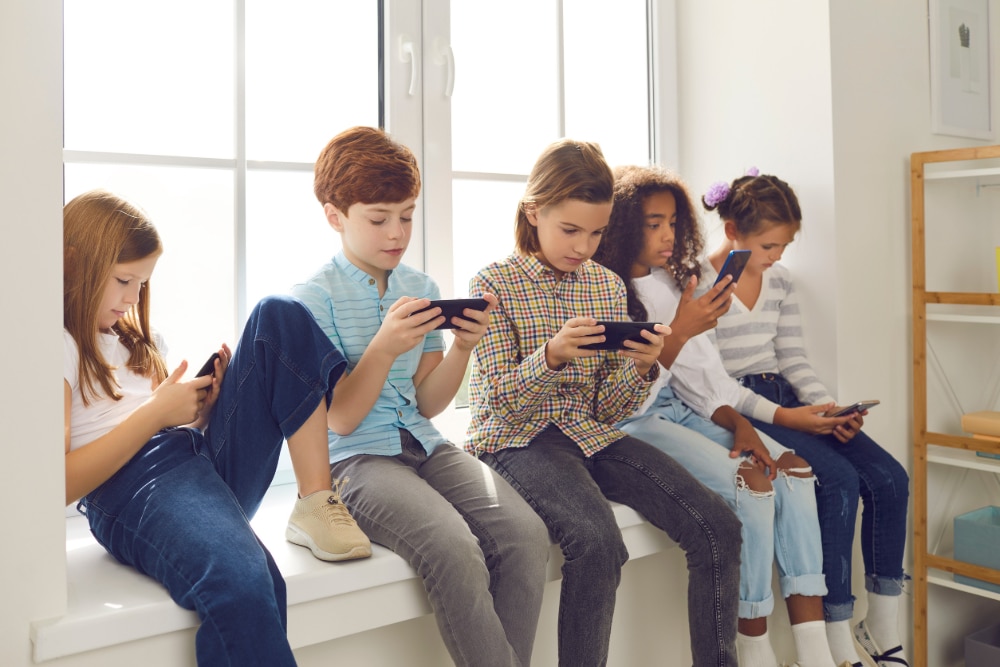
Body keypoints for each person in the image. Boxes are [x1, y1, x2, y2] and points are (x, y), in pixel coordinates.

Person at [465, 139, 743, 667]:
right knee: (597, 545)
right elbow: (498, 407)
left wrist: (644, 365)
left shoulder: (606, 286)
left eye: (595, 232)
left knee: (718, 526)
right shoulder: (493, 283)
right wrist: (550, 356)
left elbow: (609, 410)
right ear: (534, 212)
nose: (582, 246)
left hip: (590, 433)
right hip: (516, 441)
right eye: (570, 230)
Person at [64, 190, 370, 666]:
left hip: (193, 461)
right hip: (131, 488)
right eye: (124, 280)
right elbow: (57, 484)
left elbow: (165, 429)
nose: (132, 299)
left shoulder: (134, 343)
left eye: (142, 285)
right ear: (72, 263)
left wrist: (201, 413)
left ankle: (315, 499)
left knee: (277, 315)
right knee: (249, 582)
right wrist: (156, 415)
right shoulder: (55, 344)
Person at [290, 126, 550, 667]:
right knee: (455, 549)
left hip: (424, 444)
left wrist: (462, 349)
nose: (397, 232)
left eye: (407, 215)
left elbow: (428, 404)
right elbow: (339, 419)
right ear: (334, 216)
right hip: (357, 461)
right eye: (379, 218)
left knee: (526, 536)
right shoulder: (311, 299)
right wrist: (382, 347)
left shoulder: (422, 288)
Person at [592, 165, 843, 667]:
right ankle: (754, 646)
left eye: (672, 223)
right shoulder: (605, 291)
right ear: (622, 226)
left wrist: (739, 421)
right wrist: (680, 331)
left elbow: (703, 376)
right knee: (753, 483)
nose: (667, 235)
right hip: (634, 420)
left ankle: (815, 650)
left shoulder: (671, 283)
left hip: (685, 407)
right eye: (653, 224)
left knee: (794, 471)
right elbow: (624, 402)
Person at [697, 171, 910, 667]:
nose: (777, 256)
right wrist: (790, 418)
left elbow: (793, 360)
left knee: (889, 479)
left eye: (785, 244)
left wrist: (830, 409)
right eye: (769, 244)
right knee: (836, 481)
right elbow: (713, 382)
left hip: (787, 396)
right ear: (731, 231)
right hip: (749, 409)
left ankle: (882, 628)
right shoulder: (697, 285)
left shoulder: (781, 281)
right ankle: (836, 641)